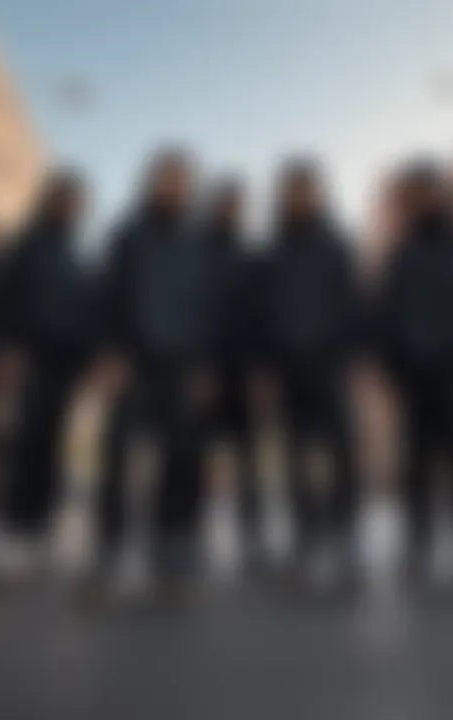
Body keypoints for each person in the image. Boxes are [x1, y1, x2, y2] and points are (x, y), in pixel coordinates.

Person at [92, 149, 217, 595]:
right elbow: (107, 295)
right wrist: (109, 353)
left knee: (183, 457)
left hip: (183, 365)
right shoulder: (127, 234)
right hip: (133, 362)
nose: (173, 188)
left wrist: (204, 366)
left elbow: (209, 308)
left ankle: (172, 545)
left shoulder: (200, 239)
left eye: (181, 181)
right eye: (166, 180)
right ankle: (109, 549)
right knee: (118, 456)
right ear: (150, 183)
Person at [375, 159, 453, 588]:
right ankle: (418, 545)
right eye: (413, 194)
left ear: (442, 194)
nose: (421, 201)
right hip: (413, 374)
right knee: (417, 463)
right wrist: (390, 369)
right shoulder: (400, 255)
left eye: (427, 191)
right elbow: (385, 315)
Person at [249, 159, 364, 589]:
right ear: (283, 197)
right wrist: (262, 366)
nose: (300, 198)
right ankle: (307, 542)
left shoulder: (338, 246)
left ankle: (345, 540)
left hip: (330, 365)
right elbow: (258, 315)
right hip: (286, 368)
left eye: (307, 190)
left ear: (319, 195)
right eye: (293, 191)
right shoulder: (270, 252)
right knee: (297, 459)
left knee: (342, 455)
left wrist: (353, 359)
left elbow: (354, 304)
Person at [0, 170, 92, 579]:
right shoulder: (26, 245)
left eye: (77, 201)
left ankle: (42, 530)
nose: (71, 206)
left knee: (52, 444)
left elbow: (84, 311)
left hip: (64, 364)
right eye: (64, 198)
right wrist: (5, 348)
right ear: (49, 199)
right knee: (26, 442)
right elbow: (1, 297)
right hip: (29, 356)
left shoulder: (75, 253)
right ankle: (15, 533)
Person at [201, 178, 261, 565]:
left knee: (247, 455)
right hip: (202, 370)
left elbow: (261, 316)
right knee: (191, 454)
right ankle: (185, 535)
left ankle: (252, 537)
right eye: (226, 203)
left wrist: (259, 369)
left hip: (242, 371)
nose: (231, 210)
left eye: (237, 204)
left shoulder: (252, 257)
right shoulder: (194, 252)